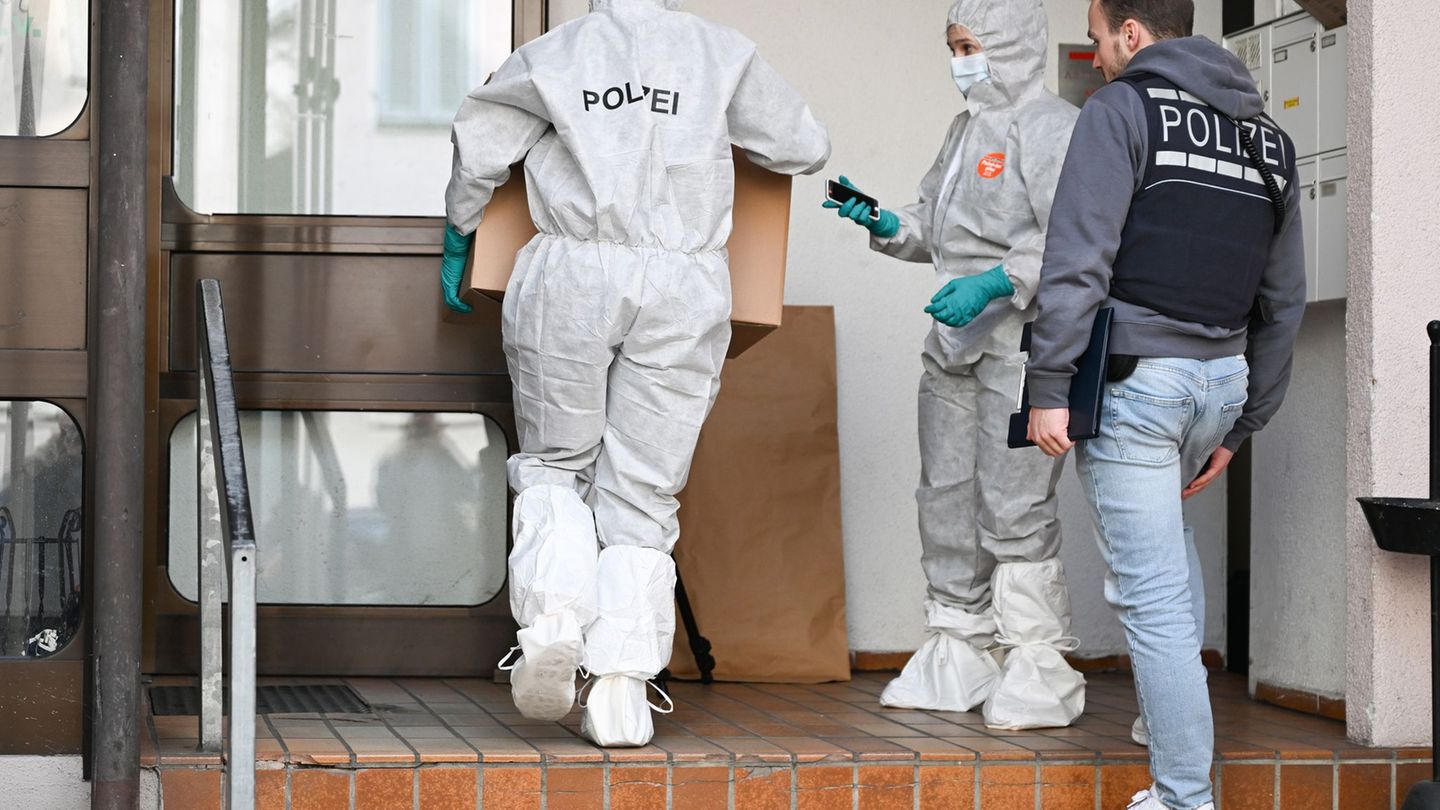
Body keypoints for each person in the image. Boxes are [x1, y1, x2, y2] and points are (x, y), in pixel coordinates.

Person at [439, 0, 829, 748]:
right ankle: (620, 689)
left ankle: (552, 623)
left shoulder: (557, 51)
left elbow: (480, 140)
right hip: (685, 283)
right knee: (644, 485)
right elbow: (803, 146)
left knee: (558, 461)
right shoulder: (722, 53)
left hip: (573, 270)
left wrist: (460, 226)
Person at [1025, 0, 1305, 806]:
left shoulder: (1121, 110)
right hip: (1218, 384)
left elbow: (1079, 258)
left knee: (1151, 598)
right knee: (1168, 553)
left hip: (1139, 382)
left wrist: (1050, 388)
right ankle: (1164, 720)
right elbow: (1283, 300)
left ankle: (1183, 795)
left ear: (1134, 33)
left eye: (1098, 36)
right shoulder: (1267, 140)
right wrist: (1245, 423)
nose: (1096, 52)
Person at [824, 0, 1083, 730]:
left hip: (1021, 344)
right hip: (954, 344)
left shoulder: (1052, 128)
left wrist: (999, 282)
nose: (961, 59)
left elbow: (1075, 237)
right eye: (954, 46)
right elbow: (934, 225)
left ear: (1010, 45)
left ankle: (1035, 660)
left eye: (971, 44)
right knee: (944, 496)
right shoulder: (966, 128)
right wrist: (881, 220)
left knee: (1013, 504)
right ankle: (959, 645)